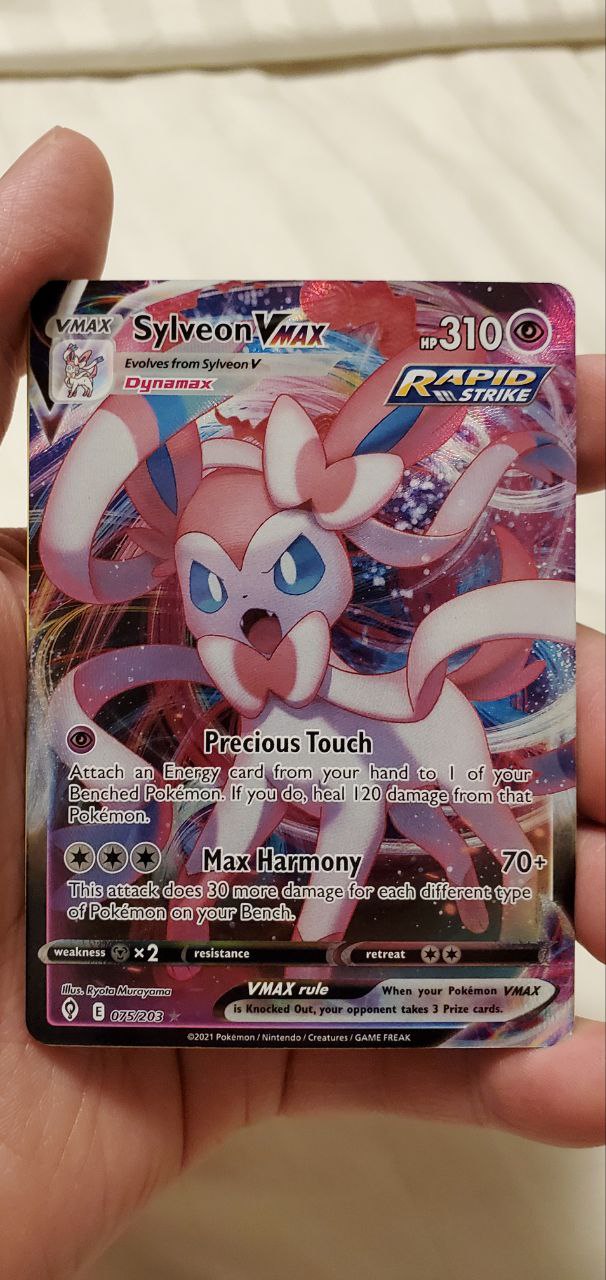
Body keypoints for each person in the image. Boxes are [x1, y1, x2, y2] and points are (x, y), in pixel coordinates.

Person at [0, 129, 603, 1280]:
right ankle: (223, 907)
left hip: (392, 728)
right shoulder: (225, 655)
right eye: (214, 591)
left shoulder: (378, 646)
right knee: (244, 801)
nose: (252, 613)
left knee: (393, 809)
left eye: (284, 571)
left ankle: (398, 898)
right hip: (229, 816)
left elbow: (366, 791)